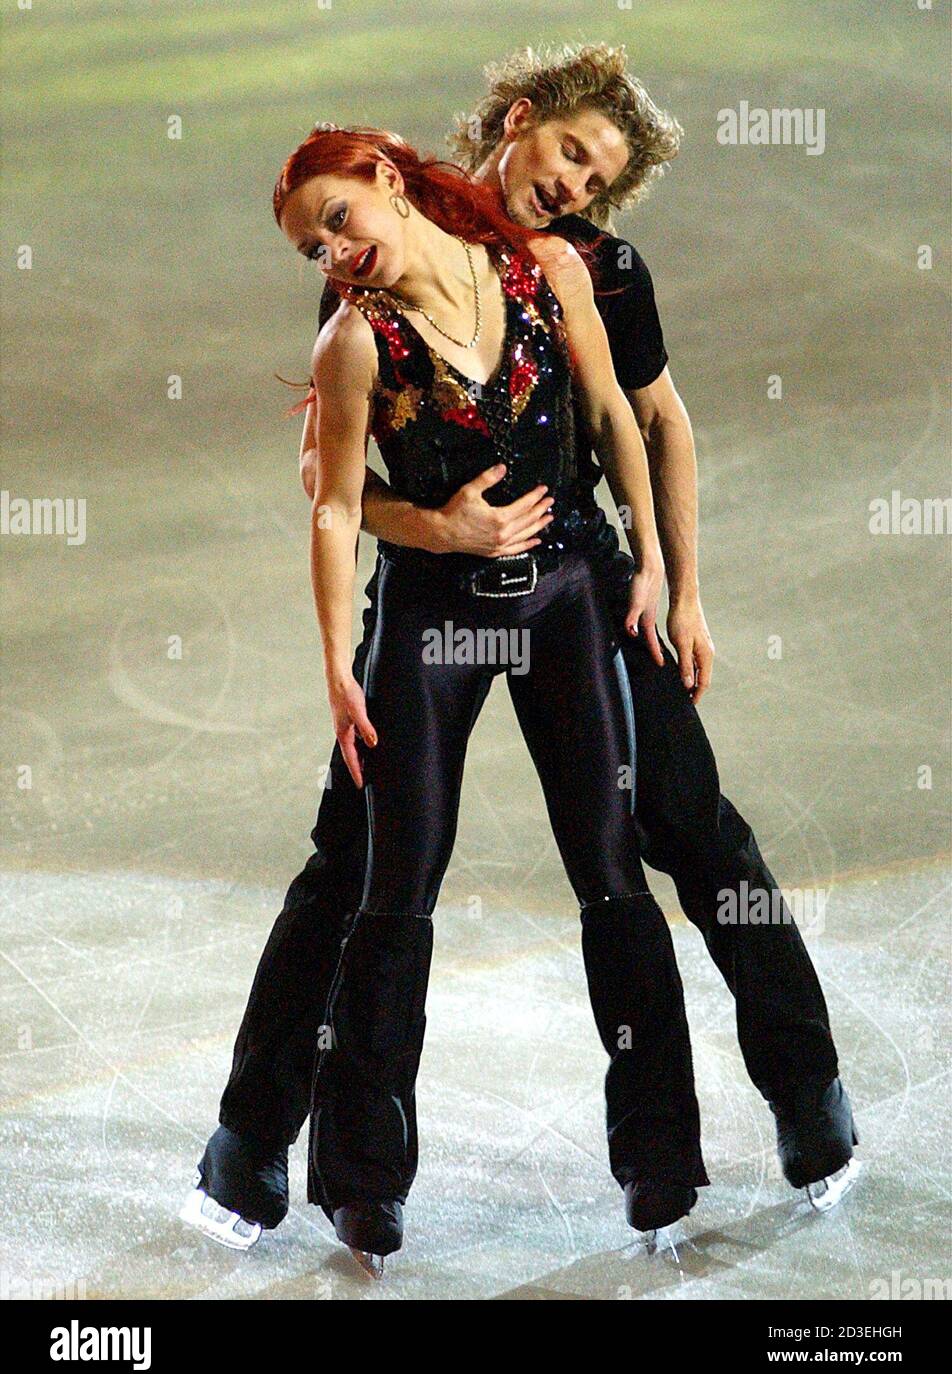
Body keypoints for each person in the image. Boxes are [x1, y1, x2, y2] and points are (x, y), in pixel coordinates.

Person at [183, 45, 857, 1260]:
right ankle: (253, 1140)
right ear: (520, 119)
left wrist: (681, 588)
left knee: (692, 827)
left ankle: (805, 1091)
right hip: (432, 589)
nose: (574, 186)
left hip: (584, 579)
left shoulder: (593, 266)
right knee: (355, 862)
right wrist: (436, 529)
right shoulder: (366, 256)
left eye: (598, 181)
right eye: (570, 156)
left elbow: (653, 418)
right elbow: (331, 481)